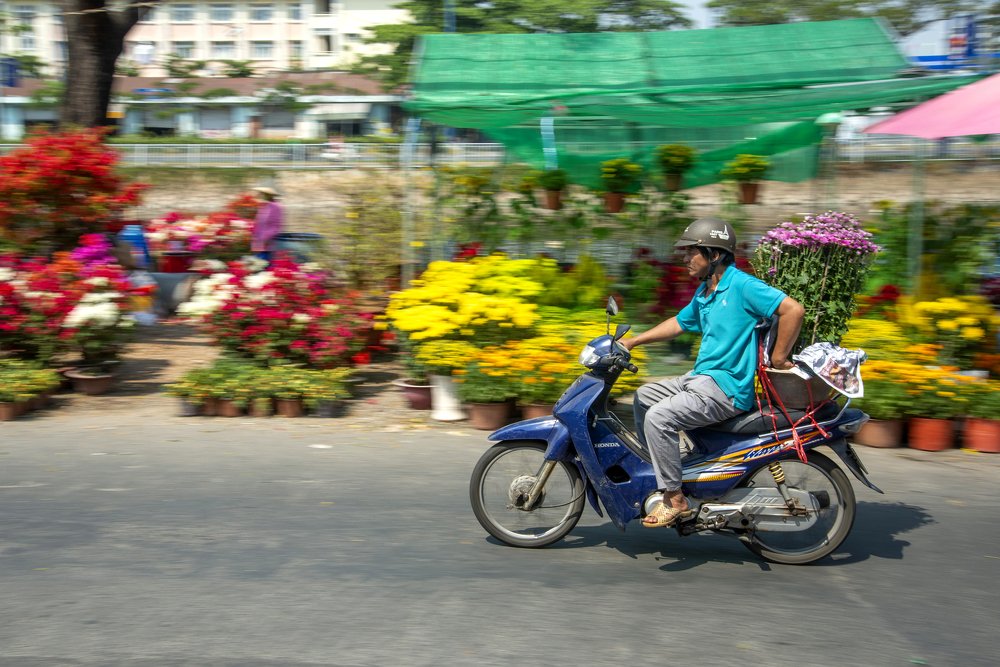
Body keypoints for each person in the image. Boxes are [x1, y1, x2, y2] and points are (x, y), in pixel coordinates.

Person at [621, 217, 805, 528]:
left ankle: (674, 498)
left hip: (726, 388)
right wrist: (633, 341)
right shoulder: (706, 291)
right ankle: (667, 470)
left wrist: (779, 356)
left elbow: (793, 310)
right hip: (699, 380)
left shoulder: (743, 286)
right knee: (644, 397)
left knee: (659, 418)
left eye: (691, 251)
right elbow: (679, 323)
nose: (684, 258)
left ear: (714, 255)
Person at [251, 186, 284, 262]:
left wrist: (266, 239)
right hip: (259, 242)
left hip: (268, 242)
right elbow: (259, 224)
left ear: (267, 195)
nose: (258, 195)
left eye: (261, 193)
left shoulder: (276, 207)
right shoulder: (264, 206)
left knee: (264, 263)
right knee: (258, 263)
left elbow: (276, 225)